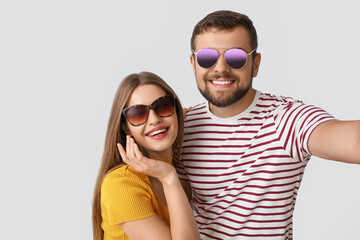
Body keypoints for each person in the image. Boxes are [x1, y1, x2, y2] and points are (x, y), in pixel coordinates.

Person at [174, 10, 360, 240]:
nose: (220, 68)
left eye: (235, 58)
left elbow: (354, 141)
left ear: (255, 63)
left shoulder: (285, 119)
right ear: (193, 64)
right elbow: (176, 214)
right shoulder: (183, 128)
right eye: (206, 58)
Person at [92, 72, 201, 240]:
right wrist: (168, 177)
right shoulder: (121, 183)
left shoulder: (184, 172)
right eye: (137, 114)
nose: (154, 119)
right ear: (126, 128)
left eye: (163, 106)